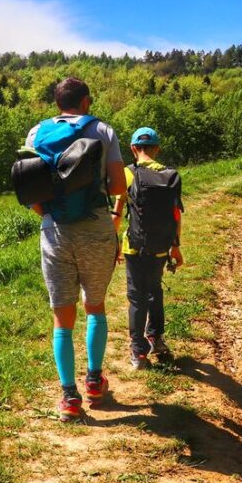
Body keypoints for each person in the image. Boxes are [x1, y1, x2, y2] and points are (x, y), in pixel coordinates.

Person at [24, 77, 126, 422]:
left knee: (62, 317)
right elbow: (117, 185)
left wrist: (49, 214)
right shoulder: (103, 130)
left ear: (58, 103)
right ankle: (95, 381)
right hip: (96, 226)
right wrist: (112, 216)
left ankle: (69, 398)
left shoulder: (36, 133)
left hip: (54, 231)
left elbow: (28, 187)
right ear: (86, 101)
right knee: (95, 306)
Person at [112, 127, 184, 370]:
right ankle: (156, 337)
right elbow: (176, 215)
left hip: (133, 247)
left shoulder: (127, 174)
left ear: (133, 149)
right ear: (157, 149)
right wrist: (175, 247)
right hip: (161, 247)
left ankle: (138, 352)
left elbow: (117, 212)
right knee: (155, 290)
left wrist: (113, 245)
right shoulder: (171, 175)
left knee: (136, 296)